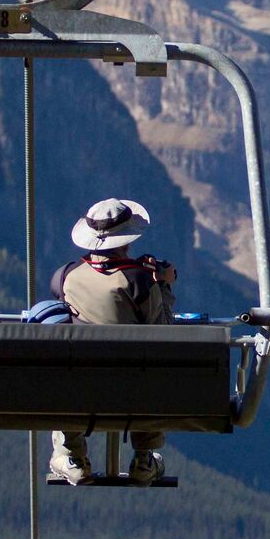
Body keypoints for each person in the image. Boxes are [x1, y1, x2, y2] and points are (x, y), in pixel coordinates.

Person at [47, 198, 176, 486]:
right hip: (132, 391)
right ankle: (144, 460)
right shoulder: (141, 282)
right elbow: (165, 333)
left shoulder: (65, 276)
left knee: (67, 371)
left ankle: (73, 457)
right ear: (127, 240)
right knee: (151, 368)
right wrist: (163, 285)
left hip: (80, 391)